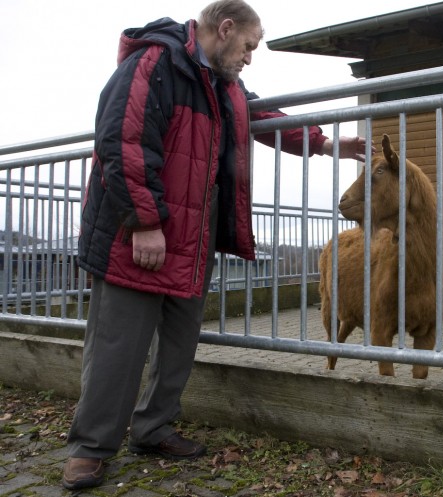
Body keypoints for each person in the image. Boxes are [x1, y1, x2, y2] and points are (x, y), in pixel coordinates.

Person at [63, 0, 371, 490]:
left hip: (192, 240)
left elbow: (265, 116)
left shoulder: (224, 86)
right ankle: (90, 449)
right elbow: (123, 142)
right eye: (249, 45)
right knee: (117, 348)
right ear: (225, 29)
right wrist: (145, 222)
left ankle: (153, 427)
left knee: (180, 345)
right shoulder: (153, 63)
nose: (250, 57)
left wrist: (328, 143)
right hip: (138, 235)